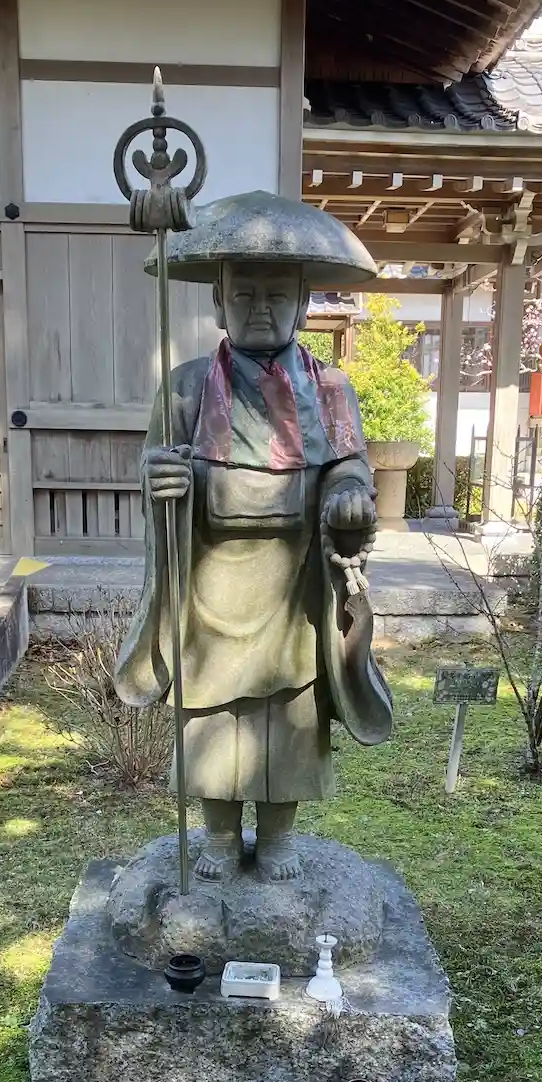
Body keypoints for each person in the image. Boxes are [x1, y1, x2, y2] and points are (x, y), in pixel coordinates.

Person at [115, 192, 393, 881]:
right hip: (210, 576)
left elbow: (349, 465)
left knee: (290, 710)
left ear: (303, 305)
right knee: (210, 708)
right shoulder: (186, 389)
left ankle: (277, 837)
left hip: (292, 582)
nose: (260, 308)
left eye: (277, 296)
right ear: (219, 303)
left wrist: (348, 496)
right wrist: (161, 480)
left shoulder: (329, 389)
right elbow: (155, 463)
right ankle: (215, 834)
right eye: (244, 295)